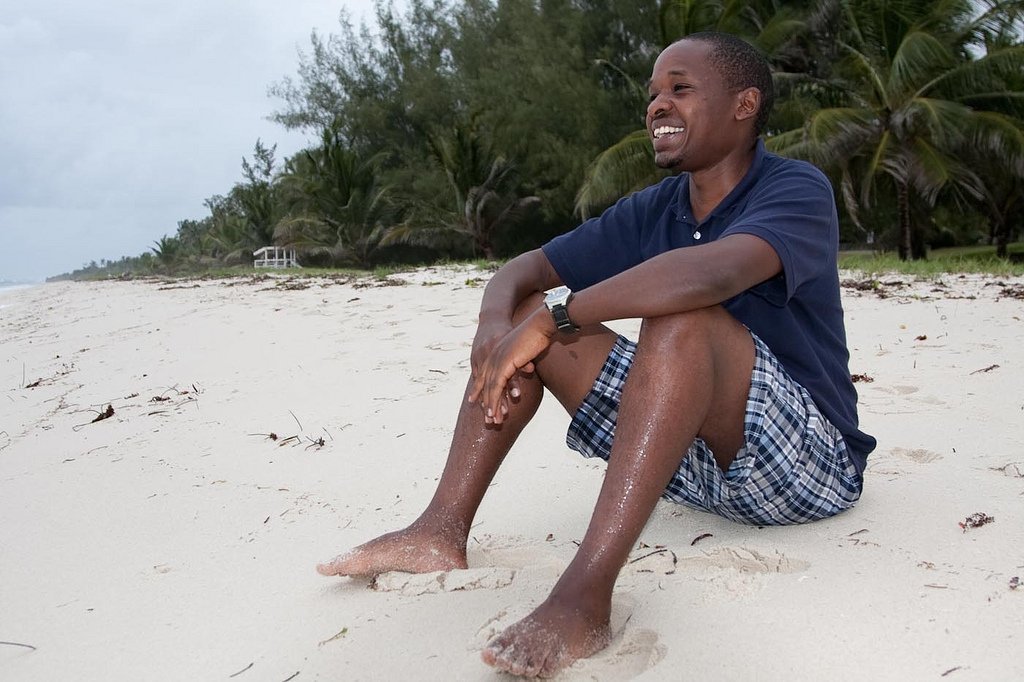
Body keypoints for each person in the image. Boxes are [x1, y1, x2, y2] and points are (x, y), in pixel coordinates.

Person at [317, 31, 875, 678]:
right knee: (527, 321)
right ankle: (438, 532)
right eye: (653, 94)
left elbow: (710, 275)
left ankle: (584, 598)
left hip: (807, 467)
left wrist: (561, 315)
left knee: (679, 318)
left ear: (745, 104)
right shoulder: (656, 207)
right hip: (687, 465)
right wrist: (494, 330)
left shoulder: (795, 189)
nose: (658, 106)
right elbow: (524, 270)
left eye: (681, 89)